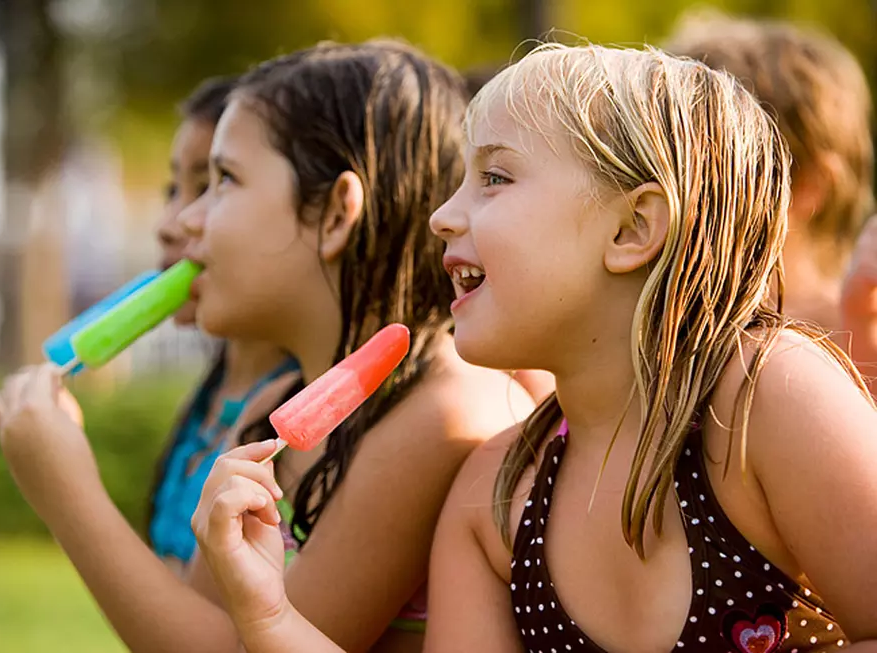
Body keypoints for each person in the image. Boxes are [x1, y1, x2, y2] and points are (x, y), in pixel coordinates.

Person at [193, 43, 877, 653]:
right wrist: (268, 614)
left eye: (494, 178)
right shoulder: (495, 496)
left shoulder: (770, 398)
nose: (443, 213)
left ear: (633, 228)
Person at [0, 38, 535, 653]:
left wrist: (70, 494)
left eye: (224, 180)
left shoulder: (437, 414)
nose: (188, 219)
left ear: (333, 214)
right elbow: (190, 624)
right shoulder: (272, 406)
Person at [148, 76, 298, 576]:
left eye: (218, 184)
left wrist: (67, 489)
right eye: (175, 188)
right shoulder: (209, 397)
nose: (176, 221)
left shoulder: (289, 422)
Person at [664, 12, 875, 337]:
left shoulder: (855, 334)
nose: (668, 183)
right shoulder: (664, 318)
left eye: (706, 165)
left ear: (804, 187)